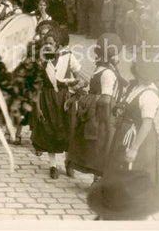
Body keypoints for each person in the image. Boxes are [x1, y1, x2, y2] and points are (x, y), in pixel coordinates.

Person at [104, 54, 159, 190]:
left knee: (135, 168)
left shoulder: (149, 94)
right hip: (125, 133)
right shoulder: (137, 87)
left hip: (140, 139)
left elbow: (146, 123)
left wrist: (134, 149)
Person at [67, 33, 126, 183]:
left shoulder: (107, 73)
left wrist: (105, 120)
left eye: (98, 54)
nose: (95, 57)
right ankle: (83, 167)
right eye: (96, 54)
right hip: (96, 109)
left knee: (101, 142)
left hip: (102, 111)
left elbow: (106, 98)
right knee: (95, 142)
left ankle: (97, 175)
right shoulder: (101, 69)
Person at [31, 27, 82, 179]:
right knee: (50, 131)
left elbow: (78, 78)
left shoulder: (69, 57)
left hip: (64, 99)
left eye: (51, 43)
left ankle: (68, 162)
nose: (48, 46)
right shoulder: (41, 60)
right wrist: (38, 107)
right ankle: (53, 165)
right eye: (45, 43)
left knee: (67, 130)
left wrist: (72, 89)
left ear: (58, 45)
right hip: (47, 98)